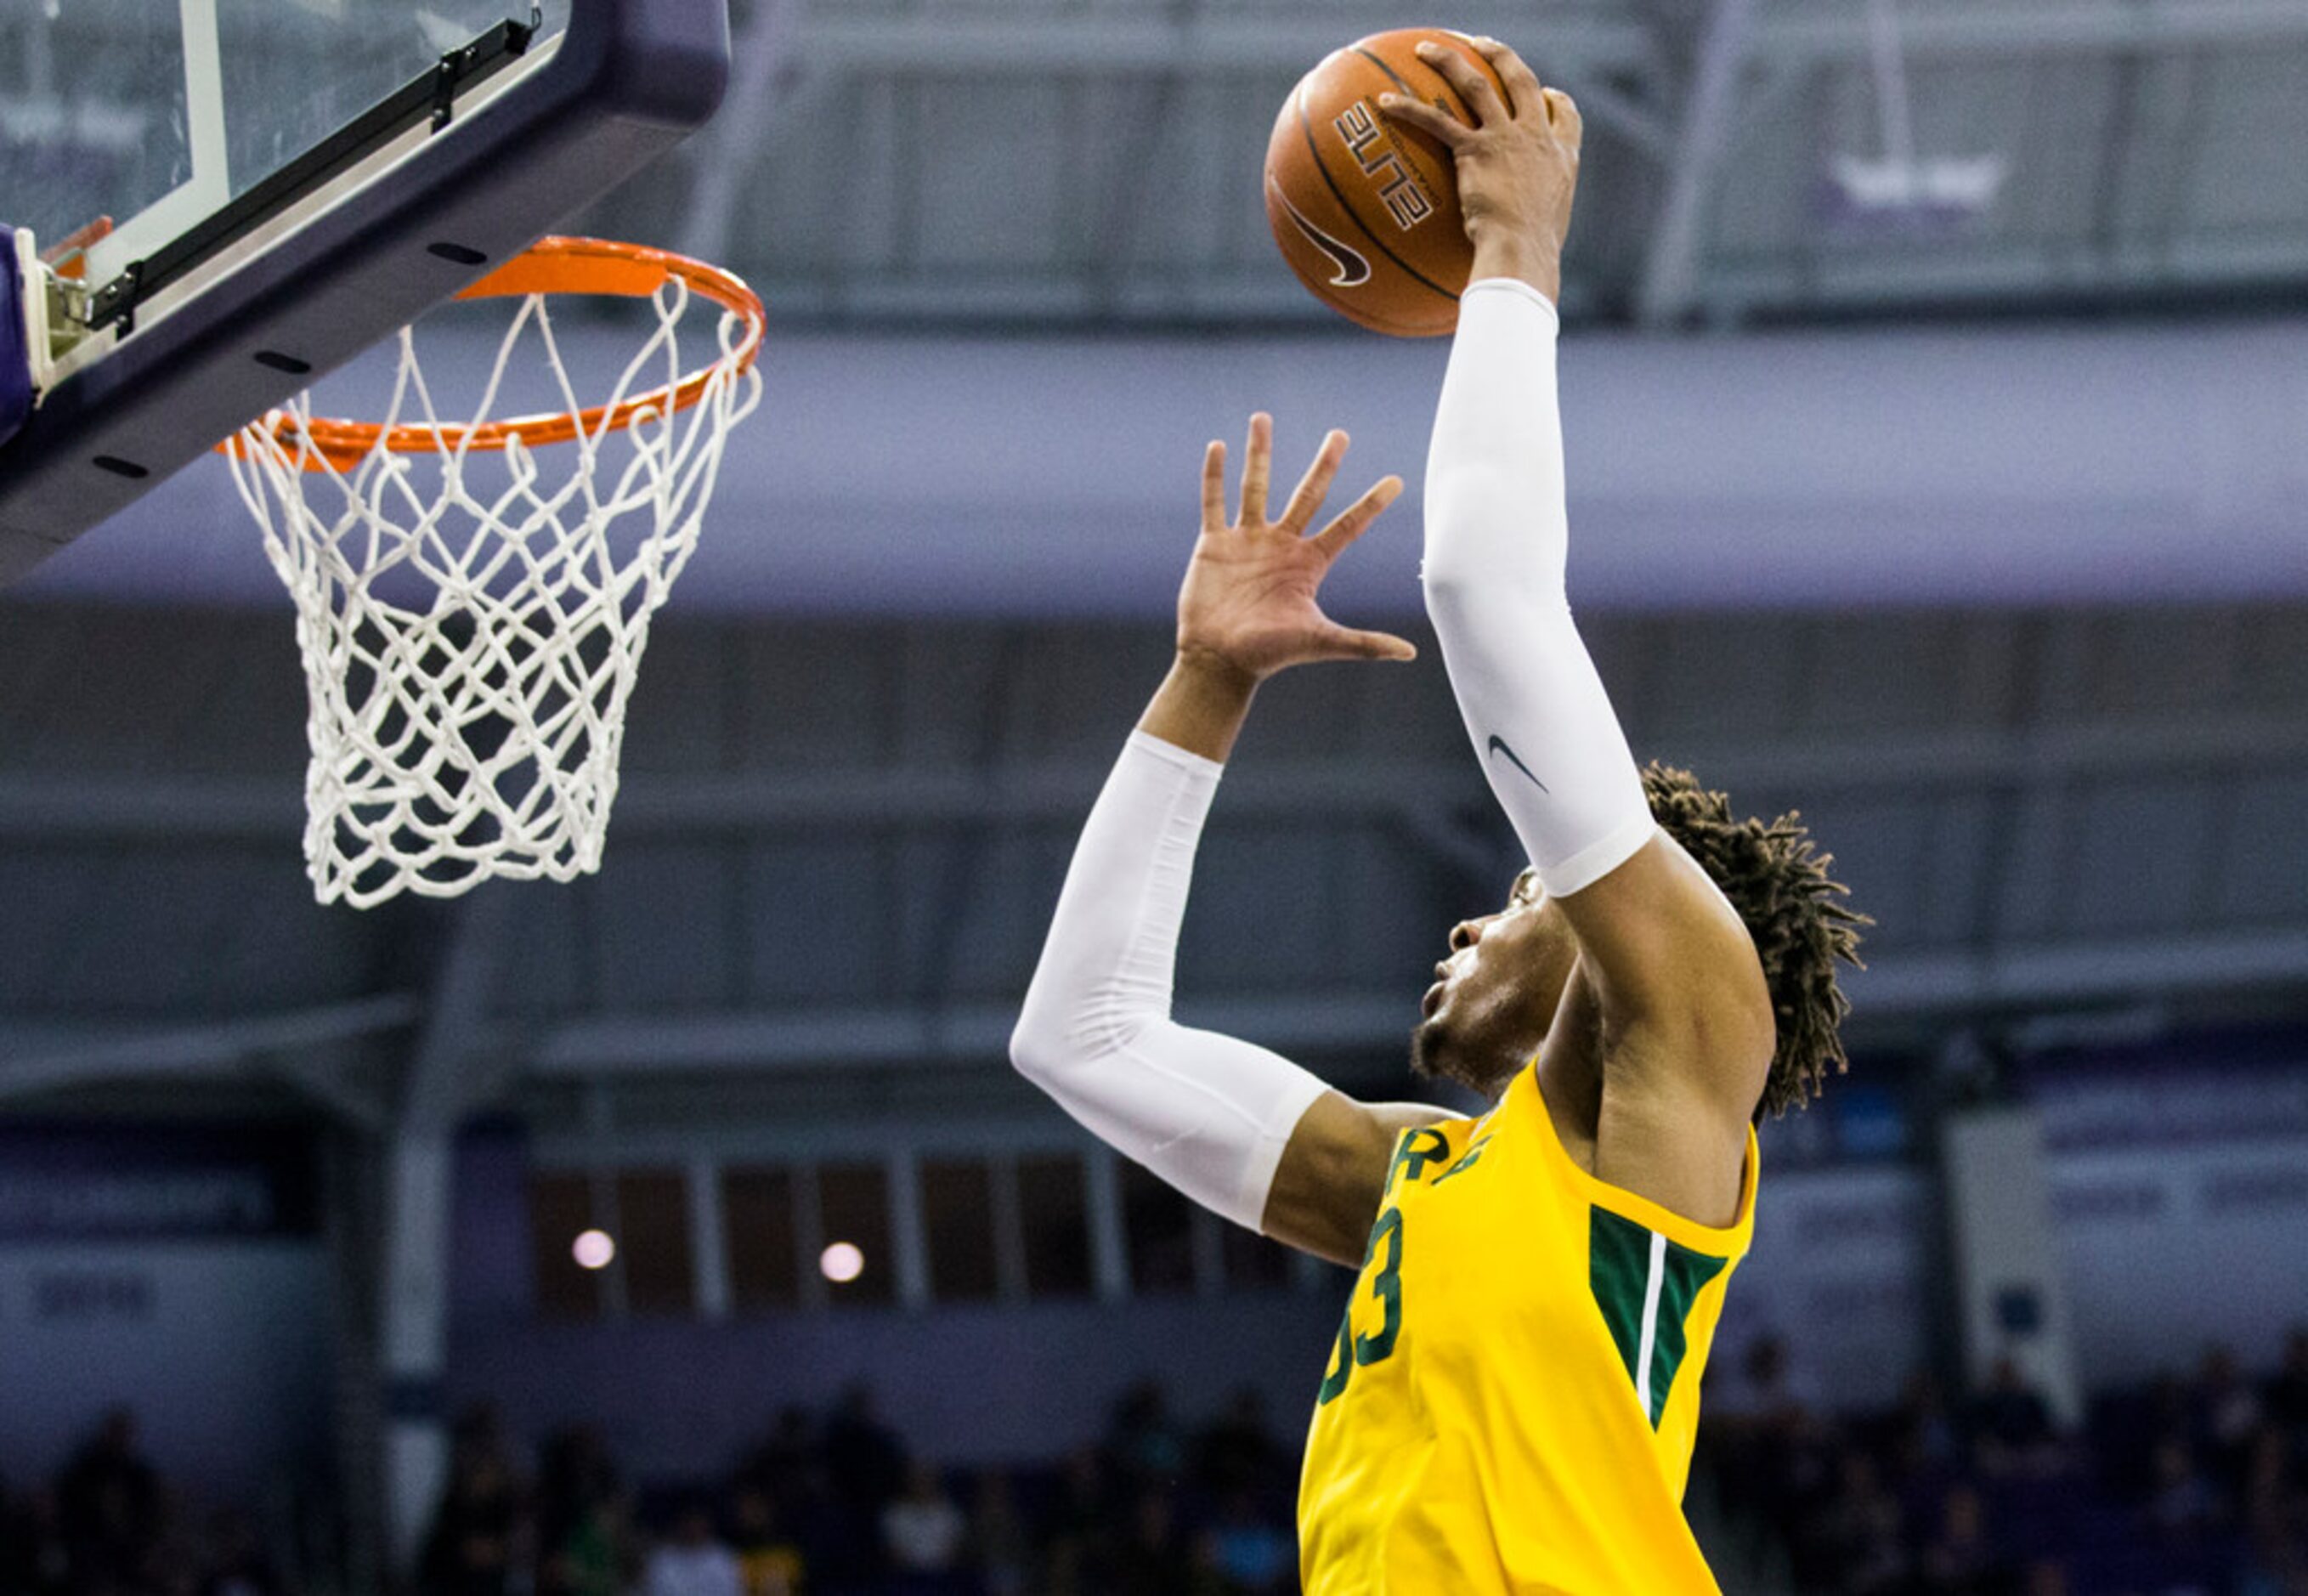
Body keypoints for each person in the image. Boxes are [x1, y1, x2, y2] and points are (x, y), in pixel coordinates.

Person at [1008, 33, 1865, 1593]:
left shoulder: (1695, 1046)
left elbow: (1481, 586)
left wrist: (1518, 254)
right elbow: (1084, 1042)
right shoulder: (1421, 1185)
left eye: (1529, 888)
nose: (1475, 913)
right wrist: (1206, 680)